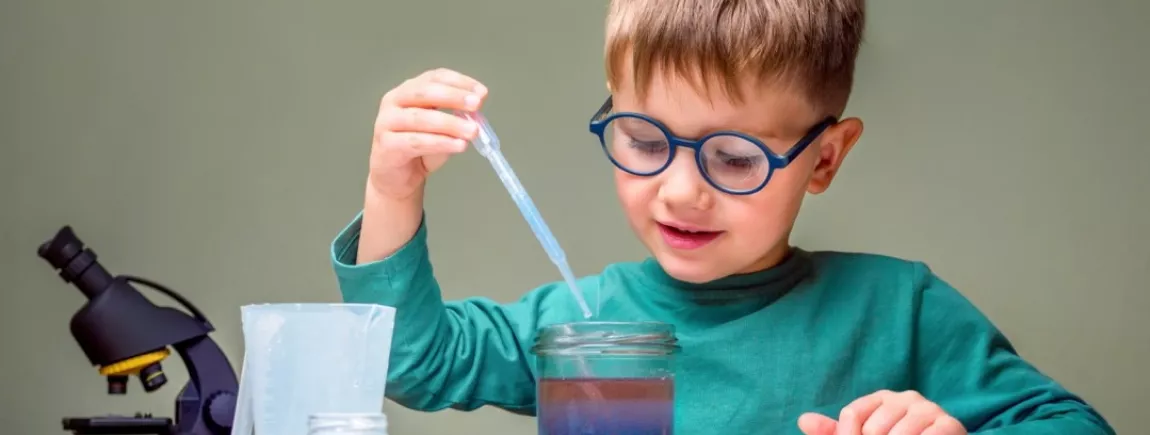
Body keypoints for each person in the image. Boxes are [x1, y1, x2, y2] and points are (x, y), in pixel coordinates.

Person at [328, 0, 1114, 433]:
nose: (678, 191)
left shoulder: (897, 311)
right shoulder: (586, 325)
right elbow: (412, 362)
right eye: (642, 140)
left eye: (734, 157)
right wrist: (392, 187)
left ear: (826, 159)